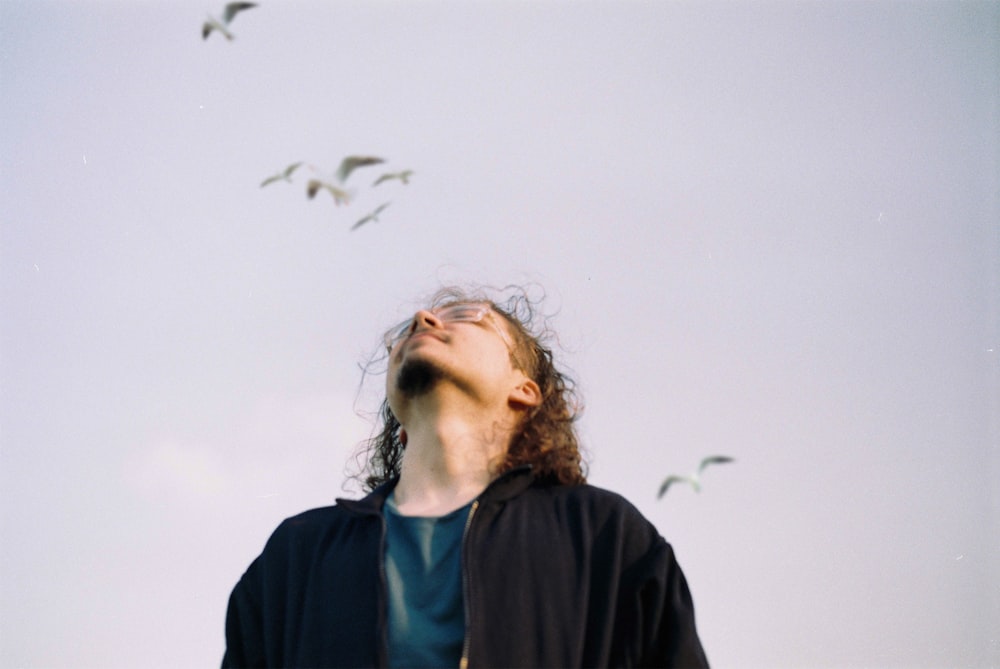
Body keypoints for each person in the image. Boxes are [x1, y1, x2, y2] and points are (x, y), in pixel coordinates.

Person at [222, 286, 709, 668]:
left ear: (525, 391)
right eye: (408, 328)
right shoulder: (296, 554)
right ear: (400, 429)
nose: (423, 321)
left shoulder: (605, 535)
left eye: (465, 317)